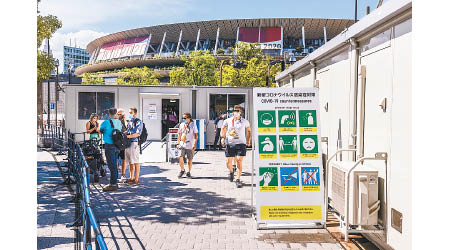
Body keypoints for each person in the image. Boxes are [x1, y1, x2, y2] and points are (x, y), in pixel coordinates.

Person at [221, 105, 251, 188]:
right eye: (235, 111)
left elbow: (249, 130)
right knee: (228, 162)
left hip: (241, 143)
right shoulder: (228, 120)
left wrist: (248, 140)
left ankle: (238, 179)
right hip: (230, 143)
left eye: (238, 111)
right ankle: (231, 172)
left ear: (241, 112)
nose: (236, 112)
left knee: (239, 161)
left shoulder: (245, 121)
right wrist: (222, 138)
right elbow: (223, 128)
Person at [99, 108, 122, 192]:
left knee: (111, 166)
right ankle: (115, 182)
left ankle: (113, 184)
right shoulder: (119, 122)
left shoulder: (105, 122)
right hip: (117, 146)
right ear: (116, 114)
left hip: (109, 146)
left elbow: (100, 130)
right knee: (114, 165)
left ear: (109, 114)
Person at [177, 112, 198, 178]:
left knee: (190, 159)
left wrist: (194, 143)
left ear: (189, 118)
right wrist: (178, 143)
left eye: (185, 118)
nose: (184, 119)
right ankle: (182, 170)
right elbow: (179, 134)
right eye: (183, 118)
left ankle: (188, 172)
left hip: (190, 144)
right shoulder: (182, 125)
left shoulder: (193, 125)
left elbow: (196, 135)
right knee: (180, 157)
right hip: (182, 143)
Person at [125, 108, 143, 185]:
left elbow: (138, 133)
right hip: (128, 143)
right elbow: (128, 131)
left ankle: (136, 179)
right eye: (129, 112)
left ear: (135, 113)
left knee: (136, 161)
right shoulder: (129, 122)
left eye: (131, 112)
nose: (129, 114)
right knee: (130, 161)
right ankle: (131, 177)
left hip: (134, 143)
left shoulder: (139, 121)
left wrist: (128, 136)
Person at [117, 108, 128, 182]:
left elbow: (128, 130)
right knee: (115, 158)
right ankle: (115, 173)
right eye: (118, 114)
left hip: (123, 142)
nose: (120, 116)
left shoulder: (126, 122)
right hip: (115, 142)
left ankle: (123, 174)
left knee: (124, 159)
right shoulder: (114, 121)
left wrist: (125, 120)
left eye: (121, 114)